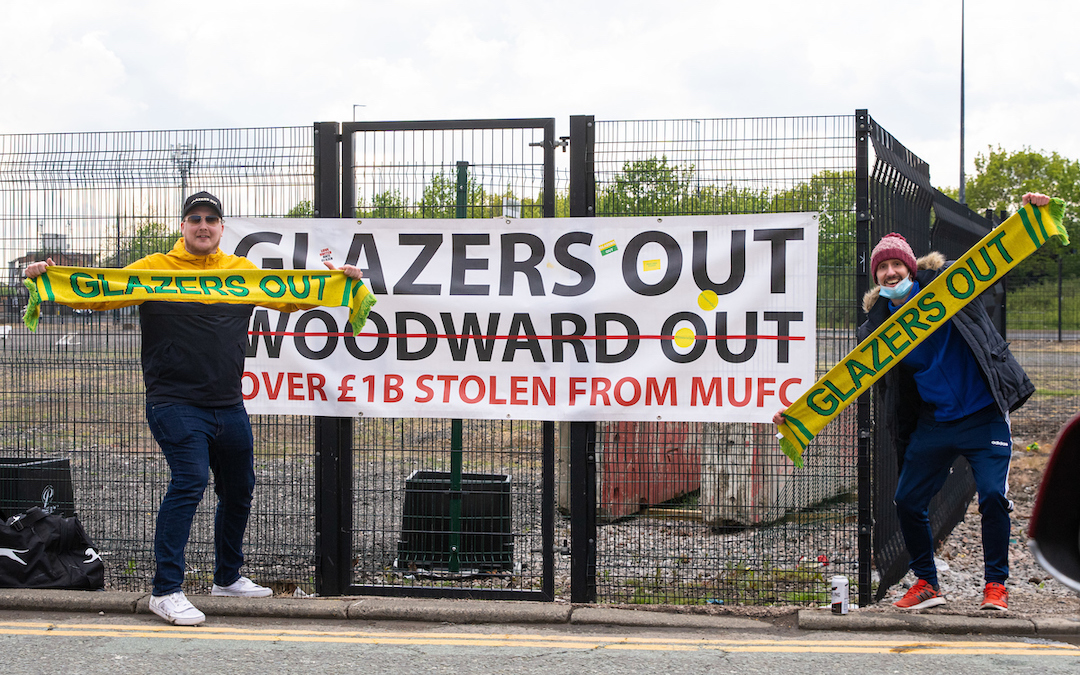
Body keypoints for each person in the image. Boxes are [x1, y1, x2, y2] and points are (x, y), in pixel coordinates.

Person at [25, 191, 362, 625]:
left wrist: (341, 280)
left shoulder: (240, 272)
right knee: (189, 480)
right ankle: (165, 591)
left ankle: (227, 577)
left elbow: (291, 297)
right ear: (182, 226)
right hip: (174, 402)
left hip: (228, 404)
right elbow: (98, 295)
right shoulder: (153, 269)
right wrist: (46, 278)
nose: (203, 225)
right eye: (194, 218)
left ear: (222, 228)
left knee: (239, 488)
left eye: (211, 219)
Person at [773, 192, 1047, 611]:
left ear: (911, 266)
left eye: (896, 263)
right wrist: (797, 416)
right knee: (908, 500)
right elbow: (847, 381)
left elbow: (997, 255)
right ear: (876, 277)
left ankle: (995, 587)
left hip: (984, 415)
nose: (889, 271)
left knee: (992, 497)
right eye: (881, 267)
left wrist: (1031, 214)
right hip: (934, 423)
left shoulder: (949, 287)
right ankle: (927, 583)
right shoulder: (876, 329)